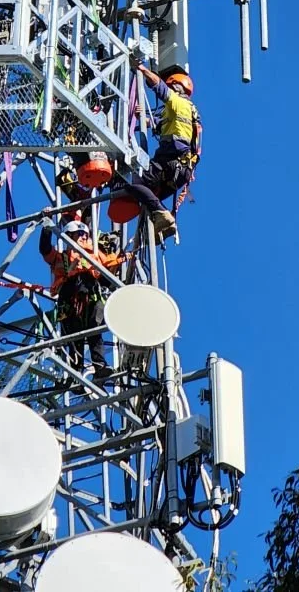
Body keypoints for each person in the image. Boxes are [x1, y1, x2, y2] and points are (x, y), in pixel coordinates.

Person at [39, 217, 126, 381]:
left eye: (85, 234)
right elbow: (45, 250)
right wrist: (46, 230)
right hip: (69, 298)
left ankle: (99, 366)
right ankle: (76, 374)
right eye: (79, 234)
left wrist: (124, 256)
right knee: (74, 337)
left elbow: (111, 265)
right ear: (69, 236)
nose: (84, 237)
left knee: (95, 329)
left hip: (91, 293)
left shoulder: (94, 255)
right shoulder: (61, 258)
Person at [127, 64, 202, 238]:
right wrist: (144, 118)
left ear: (176, 88)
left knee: (134, 183)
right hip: (181, 170)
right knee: (151, 197)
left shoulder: (179, 102)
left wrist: (142, 69)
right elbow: (160, 125)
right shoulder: (187, 111)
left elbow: (158, 86)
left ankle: (164, 217)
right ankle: (165, 225)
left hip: (171, 162)